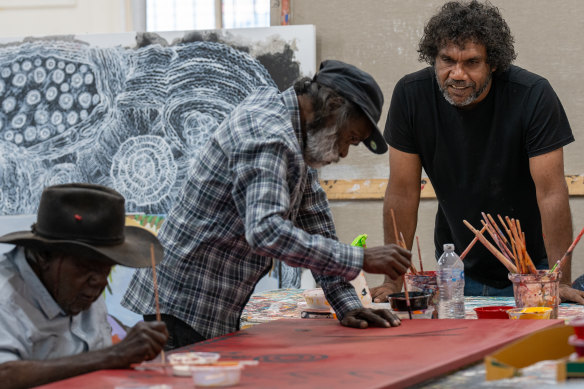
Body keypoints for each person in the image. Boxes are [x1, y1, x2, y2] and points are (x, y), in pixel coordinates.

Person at [122, 59, 413, 348]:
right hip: (183, 305)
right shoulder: (267, 134)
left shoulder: (293, 132)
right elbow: (266, 232)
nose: (344, 153)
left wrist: (346, 303)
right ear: (333, 106)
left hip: (203, 304)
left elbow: (315, 222)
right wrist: (359, 257)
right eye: (350, 138)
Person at [372, 0, 584, 304]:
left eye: (472, 62)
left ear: (493, 63)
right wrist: (393, 280)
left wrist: (558, 280)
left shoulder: (533, 96)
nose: (457, 74)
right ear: (433, 57)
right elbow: (402, 193)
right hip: (456, 265)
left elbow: (551, 193)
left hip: (532, 270)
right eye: (447, 60)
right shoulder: (411, 96)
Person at [0, 183, 169, 389]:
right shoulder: (6, 298)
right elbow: (4, 375)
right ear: (44, 256)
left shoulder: (81, 287)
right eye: (85, 267)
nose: (99, 281)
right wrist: (112, 355)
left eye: (107, 268)